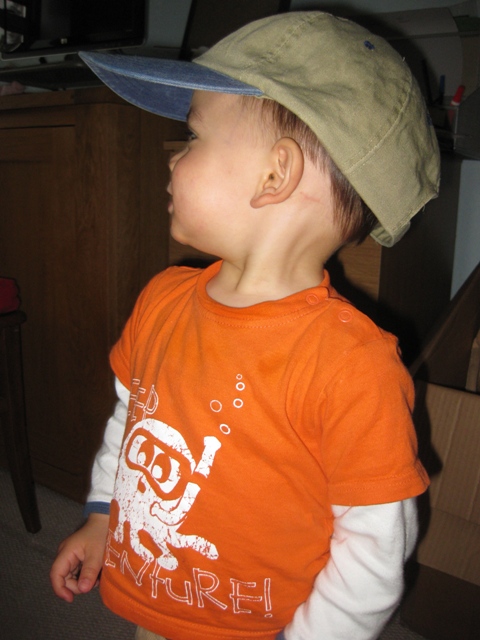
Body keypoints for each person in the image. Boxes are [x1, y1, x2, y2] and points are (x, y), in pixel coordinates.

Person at [50, 11, 439, 640]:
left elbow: (373, 548)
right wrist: (103, 515)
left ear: (275, 175)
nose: (173, 158)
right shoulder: (162, 300)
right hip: (152, 598)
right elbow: (133, 424)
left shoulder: (351, 364)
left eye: (194, 135)